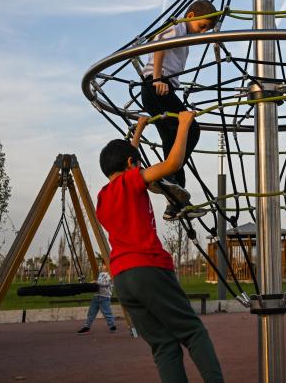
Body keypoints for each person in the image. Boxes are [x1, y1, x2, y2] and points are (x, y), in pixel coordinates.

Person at [96, 111, 224, 383]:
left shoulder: (103, 197)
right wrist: (184, 124)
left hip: (122, 278)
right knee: (193, 332)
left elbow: (129, 158)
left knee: (164, 345)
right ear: (131, 164)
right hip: (148, 267)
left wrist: (139, 131)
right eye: (137, 163)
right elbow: (172, 163)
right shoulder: (131, 180)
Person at [134, 0, 216, 220]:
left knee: (171, 138)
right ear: (190, 17)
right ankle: (166, 177)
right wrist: (158, 78)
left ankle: (176, 202)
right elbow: (158, 45)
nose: (203, 32)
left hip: (157, 89)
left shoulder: (183, 35)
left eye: (207, 29)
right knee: (190, 129)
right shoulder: (177, 27)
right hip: (157, 87)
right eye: (202, 26)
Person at [77, 270, 117, 334]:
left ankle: (112, 326)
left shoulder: (110, 274)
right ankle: (87, 327)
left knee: (107, 313)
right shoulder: (101, 274)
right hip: (96, 296)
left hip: (105, 297)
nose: (103, 266)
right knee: (91, 313)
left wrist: (96, 282)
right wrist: (91, 284)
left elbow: (106, 283)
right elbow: (98, 284)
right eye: (103, 265)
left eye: (104, 265)